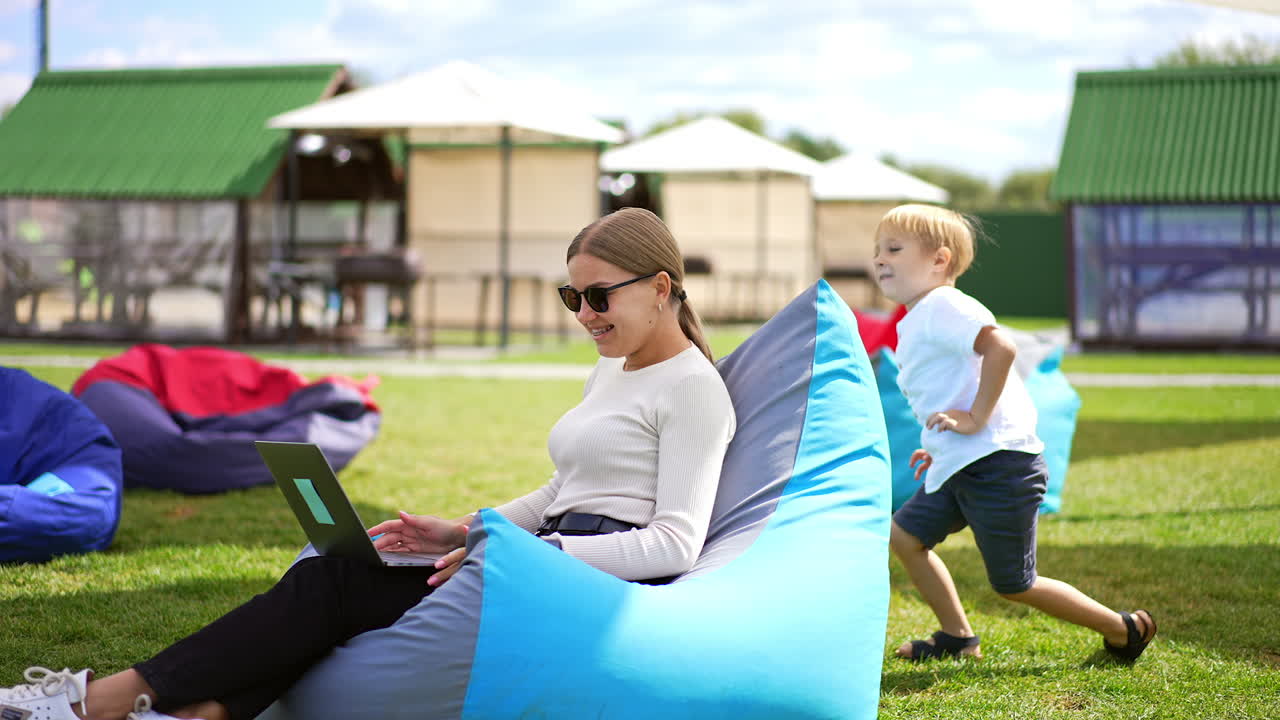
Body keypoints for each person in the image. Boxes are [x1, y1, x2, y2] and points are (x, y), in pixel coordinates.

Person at [0, 207, 736, 720]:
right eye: (573, 296)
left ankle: (96, 700)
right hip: (540, 556)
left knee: (337, 579)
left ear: (662, 288)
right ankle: (203, 710)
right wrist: (462, 530)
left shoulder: (694, 389)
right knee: (345, 561)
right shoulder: (615, 368)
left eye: (599, 295)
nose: (585, 315)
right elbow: (560, 489)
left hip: (585, 585)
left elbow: (673, 543)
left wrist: (533, 554)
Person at [872, 204, 1156, 662]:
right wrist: (938, 447)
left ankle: (1124, 628)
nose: (880, 259)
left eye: (894, 249)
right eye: (877, 251)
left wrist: (976, 419)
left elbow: (1001, 347)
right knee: (904, 537)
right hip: (963, 462)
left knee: (1015, 584)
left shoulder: (945, 304)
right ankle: (958, 638)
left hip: (1000, 465)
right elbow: (945, 387)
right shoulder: (919, 317)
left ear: (939, 260)